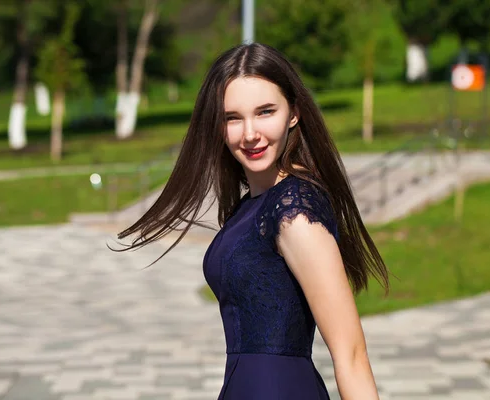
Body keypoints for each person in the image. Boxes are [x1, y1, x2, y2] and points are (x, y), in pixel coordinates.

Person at [117, 43, 390, 400]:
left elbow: (351, 354)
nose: (249, 133)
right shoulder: (253, 205)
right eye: (233, 117)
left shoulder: (295, 210)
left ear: (293, 113)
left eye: (265, 112)